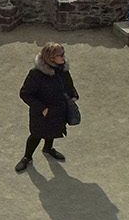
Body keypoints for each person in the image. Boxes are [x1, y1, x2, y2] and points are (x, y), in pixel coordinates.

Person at [17, 42, 78, 174]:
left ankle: (48, 149)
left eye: (63, 54)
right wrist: (42, 108)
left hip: (59, 109)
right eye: (60, 55)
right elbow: (25, 94)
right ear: (50, 58)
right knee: (36, 135)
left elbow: (68, 83)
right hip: (42, 113)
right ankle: (27, 157)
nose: (63, 57)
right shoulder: (36, 74)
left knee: (54, 131)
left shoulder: (62, 69)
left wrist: (73, 95)